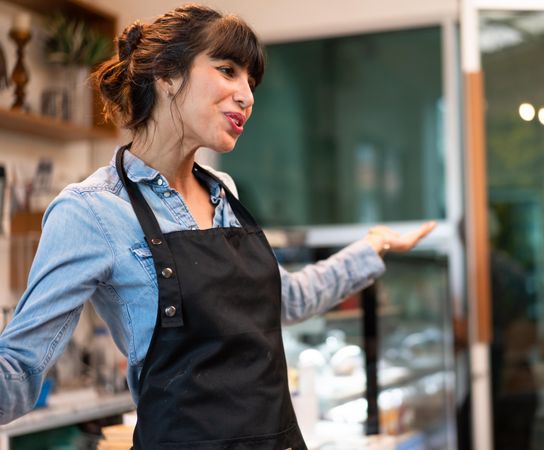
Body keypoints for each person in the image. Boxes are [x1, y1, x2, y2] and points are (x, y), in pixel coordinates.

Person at [0, 4, 436, 449]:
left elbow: (287, 299)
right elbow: (19, 364)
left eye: (251, 81)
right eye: (227, 70)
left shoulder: (223, 191)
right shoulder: (91, 211)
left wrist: (372, 246)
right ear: (167, 76)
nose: (247, 95)